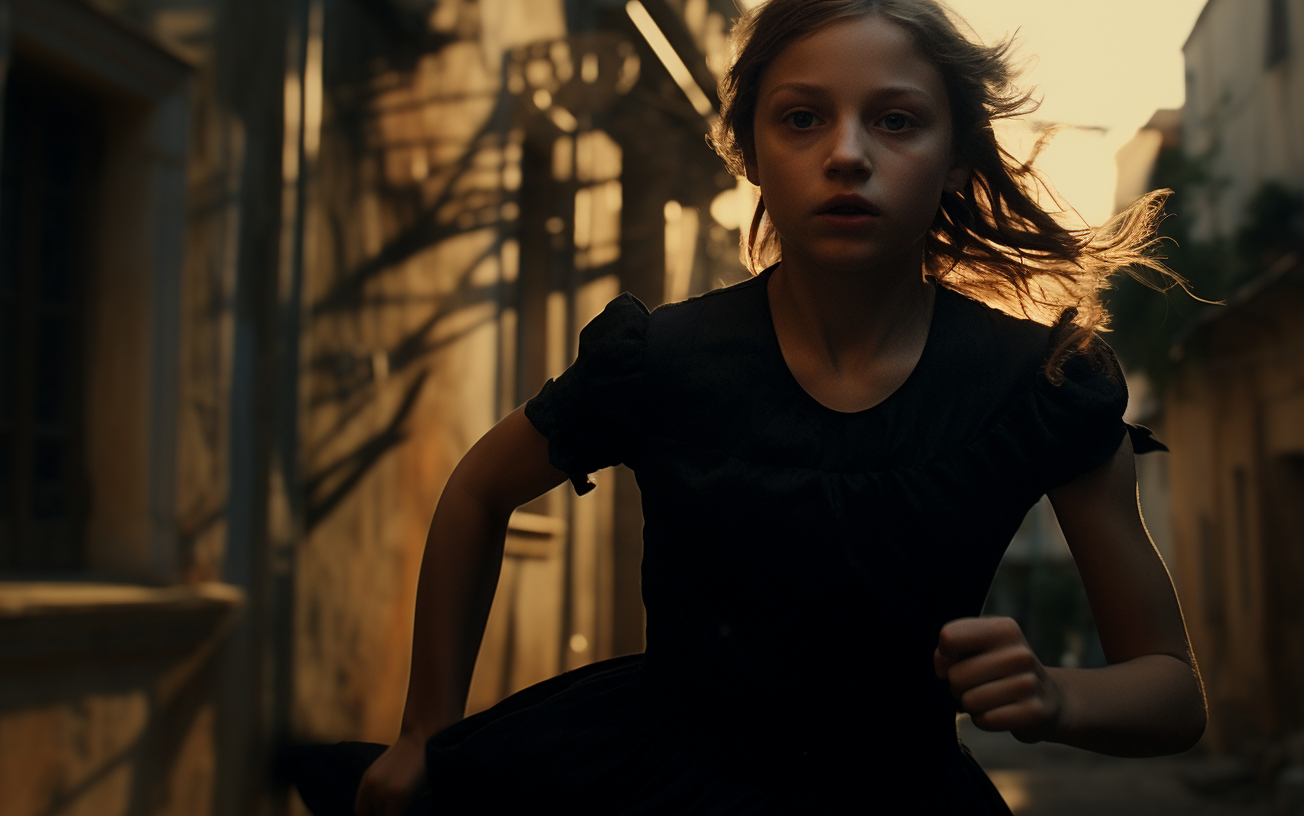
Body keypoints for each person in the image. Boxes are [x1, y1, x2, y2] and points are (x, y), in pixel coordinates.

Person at [348, 0, 1208, 812]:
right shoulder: (660, 361)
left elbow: (1172, 691)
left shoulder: (1043, 386)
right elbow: (474, 492)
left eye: (896, 119)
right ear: (749, 152)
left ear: (955, 158)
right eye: (802, 117)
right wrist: (424, 727)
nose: (846, 154)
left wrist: (1059, 695)